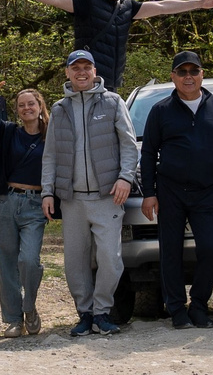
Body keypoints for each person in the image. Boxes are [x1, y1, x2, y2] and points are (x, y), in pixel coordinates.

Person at [1, 0, 213, 92]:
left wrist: (198, 3)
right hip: (86, 81)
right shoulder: (87, 1)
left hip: (111, 84)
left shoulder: (127, 6)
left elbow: (161, 6)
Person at [41, 49, 139, 337]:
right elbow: (50, 156)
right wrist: (48, 192)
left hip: (108, 196)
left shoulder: (112, 102)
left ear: (95, 71)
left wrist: (125, 178)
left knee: (110, 258)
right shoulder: (59, 109)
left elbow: (129, 145)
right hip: (72, 200)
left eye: (87, 66)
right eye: (76, 67)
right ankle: (84, 313)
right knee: (75, 262)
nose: (81, 72)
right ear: (68, 72)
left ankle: (102, 312)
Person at [138, 50, 213, 329]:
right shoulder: (160, 110)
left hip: (207, 191)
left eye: (193, 71)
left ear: (202, 74)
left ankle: (199, 305)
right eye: (182, 72)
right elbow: (148, 153)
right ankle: (176, 309)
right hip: (170, 191)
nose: (188, 77)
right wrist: (149, 192)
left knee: (209, 249)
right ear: (173, 77)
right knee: (170, 251)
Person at [0, 85, 51, 337]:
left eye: (31, 104)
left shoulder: (52, 135)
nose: (26, 108)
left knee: (29, 260)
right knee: (6, 263)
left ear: (40, 107)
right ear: (17, 110)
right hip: (7, 201)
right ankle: (14, 319)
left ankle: (30, 307)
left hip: (36, 204)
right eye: (21, 105)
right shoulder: (9, 132)